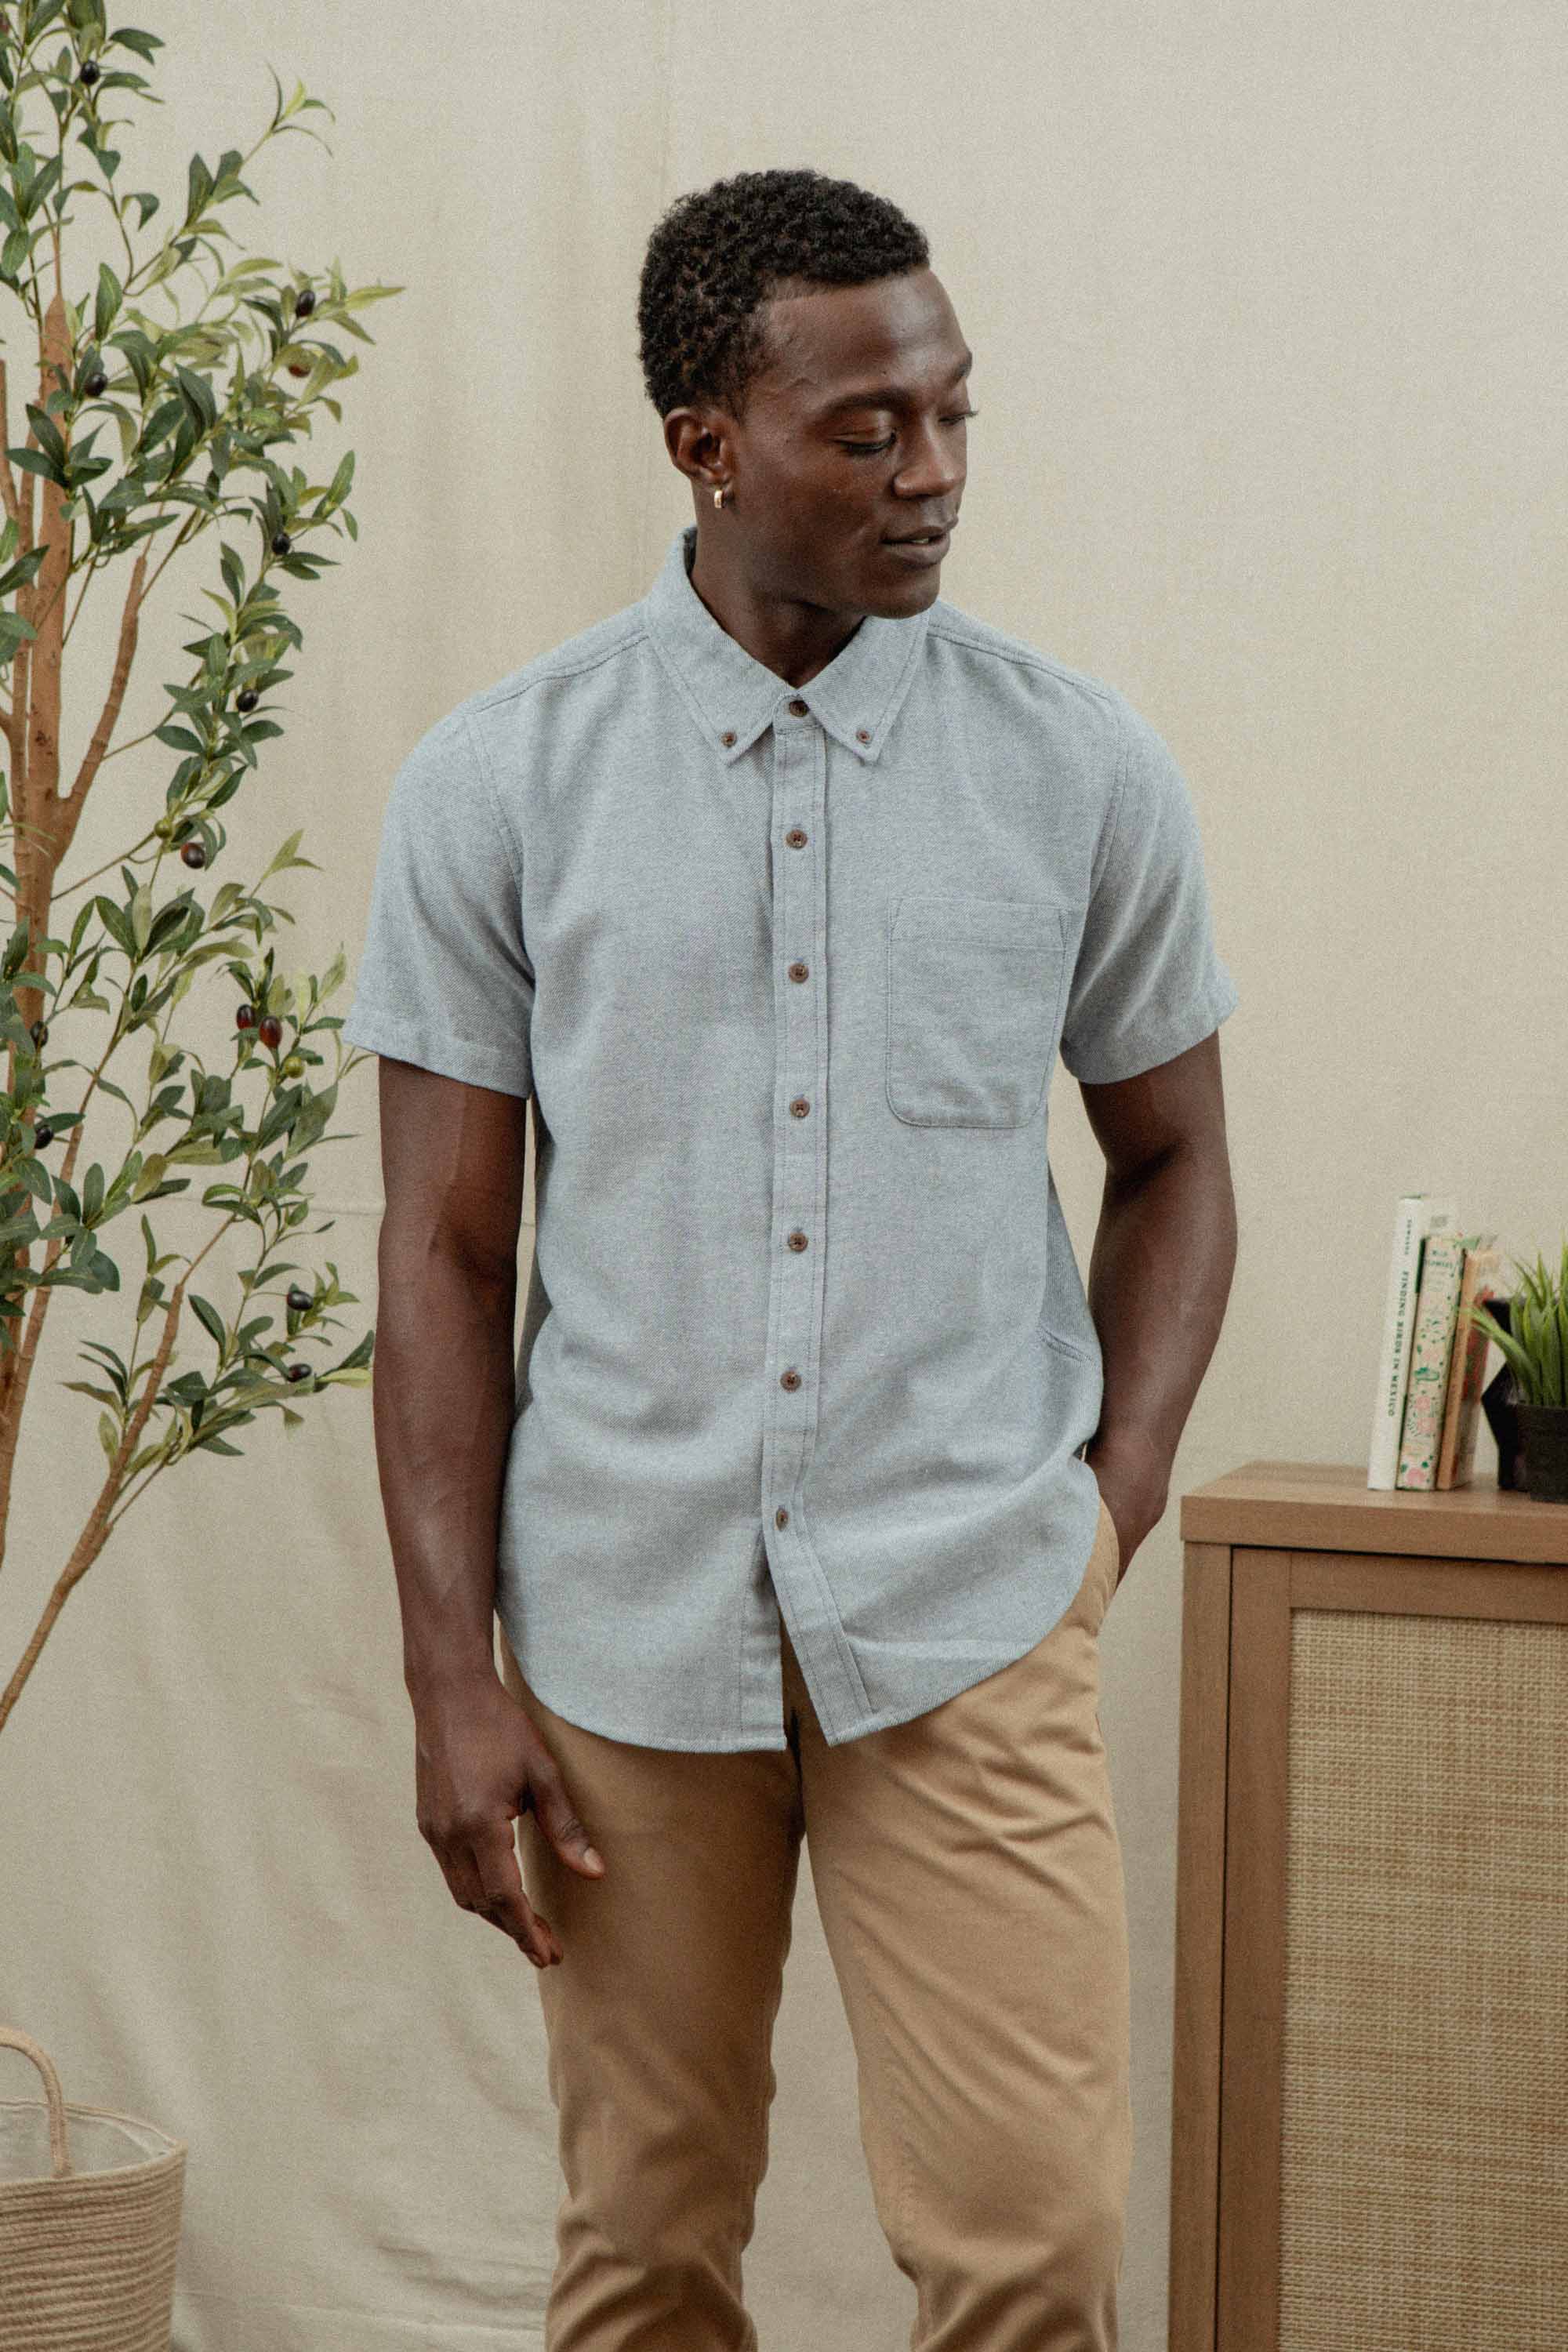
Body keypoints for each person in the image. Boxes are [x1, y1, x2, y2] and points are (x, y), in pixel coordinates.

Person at [343, 165, 1239, 2352]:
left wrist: (1100, 1512)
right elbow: (448, 1259)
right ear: (705, 444)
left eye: (951, 416)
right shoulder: (501, 787)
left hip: (969, 1606)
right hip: (622, 1639)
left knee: (1035, 2254)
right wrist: (452, 1677)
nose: (931, 473)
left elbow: (1182, 1161)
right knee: (644, 2258)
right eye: (867, 431)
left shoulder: (1081, 770)